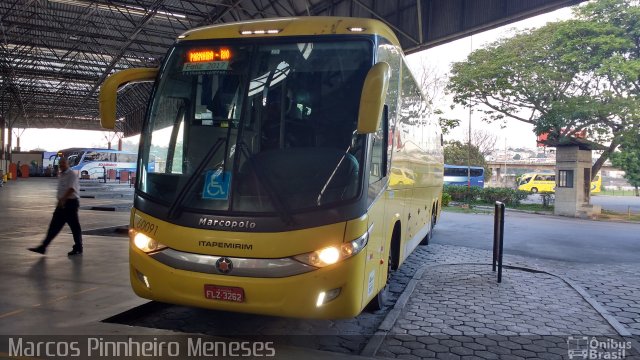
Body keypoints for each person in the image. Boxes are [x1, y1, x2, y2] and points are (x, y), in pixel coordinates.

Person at [28, 158, 83, 256]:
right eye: (60, 163)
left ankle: (78, 247)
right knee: (54, 226)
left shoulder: (71, 174)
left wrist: (63, 199)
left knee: (75, 227)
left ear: (68, 164)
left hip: (70, 204)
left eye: (63, 163)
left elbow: (71, 189)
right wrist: (60, 201)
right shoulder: (61, 174)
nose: (61, 164)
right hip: (62, 204)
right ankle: (43, 247)